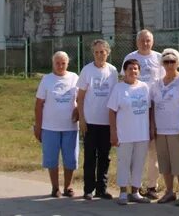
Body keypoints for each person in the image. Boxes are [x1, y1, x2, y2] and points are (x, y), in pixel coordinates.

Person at [121, 29, 163, 199]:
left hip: (155, 107)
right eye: (142, 40)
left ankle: (152, 186)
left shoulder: (159, 57)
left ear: (152, 42)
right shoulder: (130, 57)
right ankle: (132, 187)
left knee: (154, 151)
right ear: (137, 41)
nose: (145, 43)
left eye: (148, 40)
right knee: (134, 151)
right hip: (135, 109)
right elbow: (124, 81)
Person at [76, 39, 118, 200]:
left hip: (107, 122)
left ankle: (102, 188)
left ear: (108, 53)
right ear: (93, 53)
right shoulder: (87, 70)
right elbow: (80, 97)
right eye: (96, 52)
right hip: (90, 122)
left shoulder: (113, 71)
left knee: (104, 157)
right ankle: (88, 189)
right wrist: (82, 119)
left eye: (102, 52)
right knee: (90, 157)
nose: (100, 55)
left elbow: (116, 96)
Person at [34, 51, 79, 198]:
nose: (60, 66)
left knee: (70, 158)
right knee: (51, 158)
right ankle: (55, 187)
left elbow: (81, 99)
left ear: (67, 64)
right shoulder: (47, 80)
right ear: (53, 63)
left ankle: (68, 186)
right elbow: (39, 104)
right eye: (57, 63)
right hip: (50, 127)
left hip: (70, 126)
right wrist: (38, 126)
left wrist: (78, 110)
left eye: (63, 63)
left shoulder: (74, 78)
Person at [108, 58, 153, 205]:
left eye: (135, 69)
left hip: (142, 133)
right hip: (124, 134)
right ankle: (122, 192)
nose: (133, 71)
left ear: (139, 71)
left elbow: (150, 109)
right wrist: (113, 132)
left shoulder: (144, 87)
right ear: (124, 71)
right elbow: (112, 112)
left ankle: (135, 192)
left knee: (139, 163)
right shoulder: (118, 88)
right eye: (130, 69)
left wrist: (152, 128)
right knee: (124, 163)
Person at [151, 48, 179, 205]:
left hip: (177, 130)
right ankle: (169, 192)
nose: (169, 64)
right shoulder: (156, 84)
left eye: (172, 61)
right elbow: (153, 106)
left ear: (178, 63)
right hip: (160, 130)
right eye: (166, 61)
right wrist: (152, 126)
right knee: (164, 163)